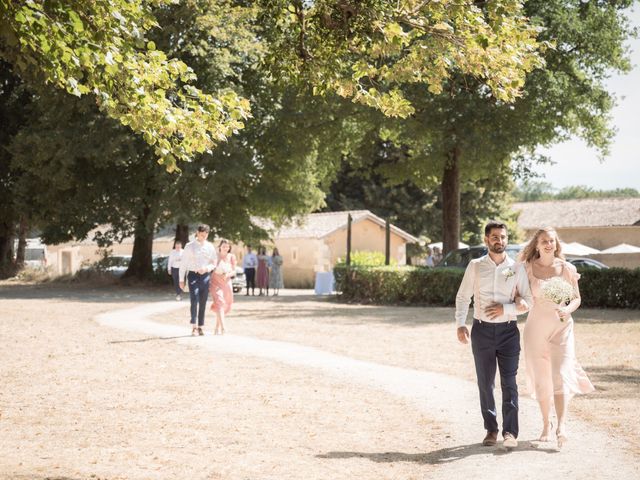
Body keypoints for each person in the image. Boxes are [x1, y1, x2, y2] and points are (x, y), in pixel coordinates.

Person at [455, 221, 532, 449]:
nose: (500, 241)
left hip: (509, 332)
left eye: (503, 237)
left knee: (509, 383)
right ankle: (491, 429)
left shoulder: (517, 268)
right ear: (486, 239)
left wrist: (505, 309)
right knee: (485, 383)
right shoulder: (476, 266)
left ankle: (510, 432)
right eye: (495, 237)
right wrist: (460, 323)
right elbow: (462, 297)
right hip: (482, 331)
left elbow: (527, 301)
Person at [519, 227, 595, 448]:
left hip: (562, 327)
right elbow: (514, 290)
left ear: (556, 243)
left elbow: (576, 298)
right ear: (537, 244)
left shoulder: (567, 269)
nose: (548, 244)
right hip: (535, 329)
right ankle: (546, 424)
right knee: (542, 378)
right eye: (544, 241)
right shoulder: (526, 268)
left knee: (560, 374)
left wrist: (567, 309)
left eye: (551, 240)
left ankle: (562, 426)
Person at [179, 225, 217, 336]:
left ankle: (201, 326)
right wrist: (181, 279)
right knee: (194, 298)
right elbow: (183, 264)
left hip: (205, 276)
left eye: (205, 235)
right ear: (197, 233)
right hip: (193, 275)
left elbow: (214, 262)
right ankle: (194, 326)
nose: (203, 237)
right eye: (201, 235)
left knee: (203, 301)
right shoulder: (189, 246)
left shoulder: (210, 246)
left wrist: (206, 268)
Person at [210, 239, 236, 335]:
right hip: (215, 282)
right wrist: (217, 271)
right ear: (220, 246)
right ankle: (223, 328)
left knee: (223, 305)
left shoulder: (231, 257)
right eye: (224, 246)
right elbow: (211, 267)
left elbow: (234, 271)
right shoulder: (215, 256)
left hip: (226, 283)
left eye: (227, 246)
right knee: (219, 302)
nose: (226, 248)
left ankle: (217, 327)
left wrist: (227, 275)